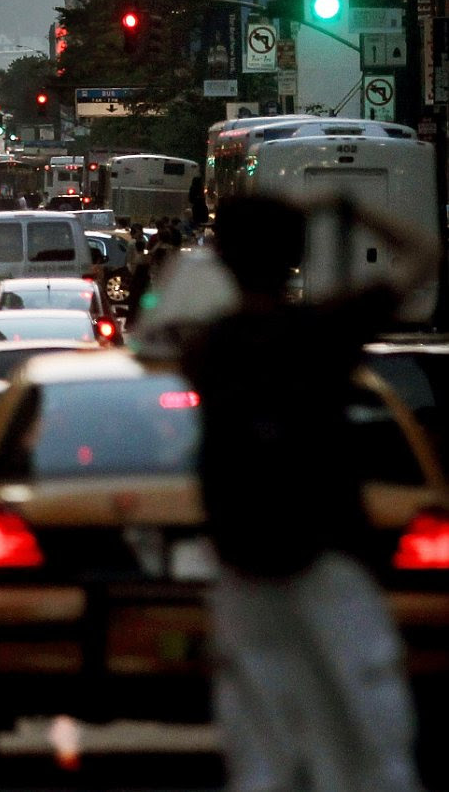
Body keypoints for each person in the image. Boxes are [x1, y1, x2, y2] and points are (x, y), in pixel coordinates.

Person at [181, 194, 439, 792]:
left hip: (244, 567)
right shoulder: (322, 335)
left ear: (224, 259)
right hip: (329, 557)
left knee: (262, 741)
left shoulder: (209, 349)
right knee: (364, 725)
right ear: (292, 259)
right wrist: (347, 205)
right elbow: (423, 255)